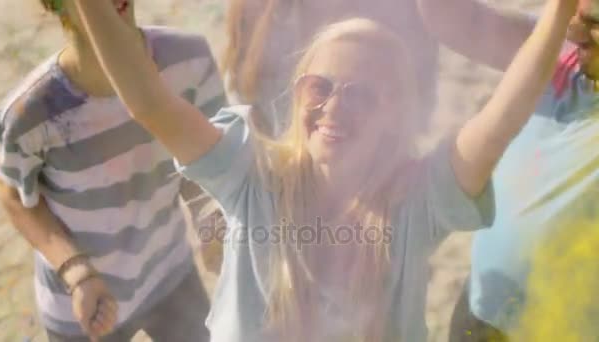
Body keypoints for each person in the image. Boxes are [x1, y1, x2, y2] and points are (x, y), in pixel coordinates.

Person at [70, 0, 574, 340]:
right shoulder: (253, 175)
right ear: (296, 92)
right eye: (320, 87)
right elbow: (149, 103)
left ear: (395, 116)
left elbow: (502, 117)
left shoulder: (416, 201)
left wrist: (561, 11)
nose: (335, 107)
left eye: (362, 95)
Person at [0, 0, 225, 340]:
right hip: (84, 305)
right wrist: (76, 270)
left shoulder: (190, 59)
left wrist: (208, 217)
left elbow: (201, 159)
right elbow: (14, 198)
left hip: (169, 270)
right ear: (54, 5)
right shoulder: (26, 114)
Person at [419, 0, 599, 339]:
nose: (576, 28)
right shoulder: (559, 52)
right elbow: (452, 18)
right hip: (483, 314)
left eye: (592, 21)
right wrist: (560, 12)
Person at [221, 0, 537, 137]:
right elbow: (244, 101)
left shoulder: (405, 15)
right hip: (275, 194)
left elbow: (414, 113)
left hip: (370, 202)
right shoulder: (262, 14)